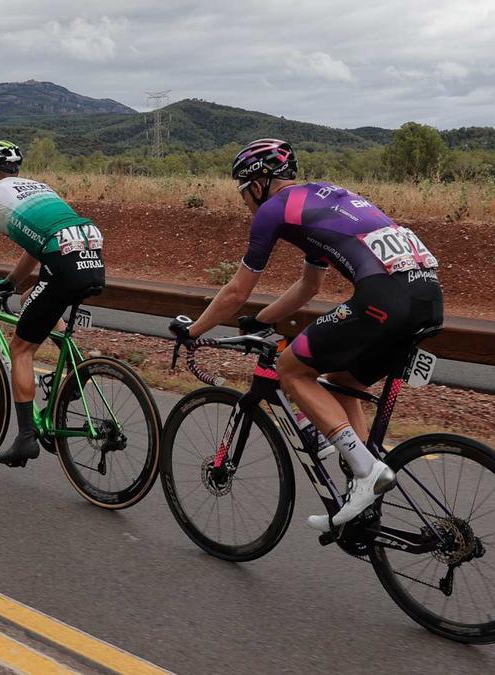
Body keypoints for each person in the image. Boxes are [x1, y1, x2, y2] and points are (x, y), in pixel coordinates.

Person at [169, 138, 442, 530]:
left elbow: (235, 292)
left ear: (258, 183)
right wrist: (261, 318)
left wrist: (193, 330)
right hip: (427, 297)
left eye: (243, 191)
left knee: (291, 369)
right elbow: (309, 286)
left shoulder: (273, 210)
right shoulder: (320, 201)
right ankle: (365, 484)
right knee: (342, 382)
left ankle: (366, 472)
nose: (244, 200)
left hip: (386, 296)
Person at [0, 140, 105, 468]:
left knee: (21, 349)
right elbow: (35, 249)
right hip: (91, 250)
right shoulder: (40, 187)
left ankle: (26, 437)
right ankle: (76, 370)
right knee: (31, 298)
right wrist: (12, 282)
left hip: (62, 258)